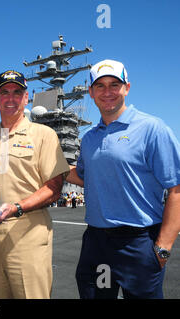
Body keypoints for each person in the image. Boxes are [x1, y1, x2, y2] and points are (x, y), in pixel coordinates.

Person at [66, 59, 180, 299]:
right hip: (96, 243)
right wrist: (48, 166)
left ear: (127, 87)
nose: (107, 92)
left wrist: (163, 249)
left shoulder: (152, 129)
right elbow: (85, 177)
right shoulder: (88, 138)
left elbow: (176, 189)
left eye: (114, 85)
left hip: (138, 243)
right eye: (100, 86)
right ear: (91, 92)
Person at [0, 70, 70, 298]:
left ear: (26, 98)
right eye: (4, 92)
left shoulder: (43, 135)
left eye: (17, 92)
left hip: (28, 234)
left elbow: (54, 187)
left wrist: (17, 207)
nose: (11, 98)